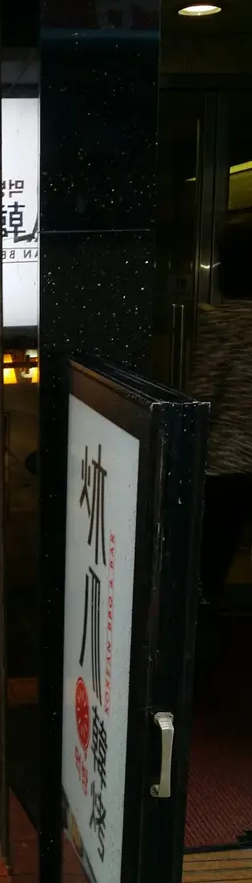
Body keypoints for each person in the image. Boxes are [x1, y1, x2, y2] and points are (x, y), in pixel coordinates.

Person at [187, 213, 252, 607]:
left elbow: (202, 396)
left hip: (226, 464)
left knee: (210, 565)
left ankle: (203, 624)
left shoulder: (225, 322)